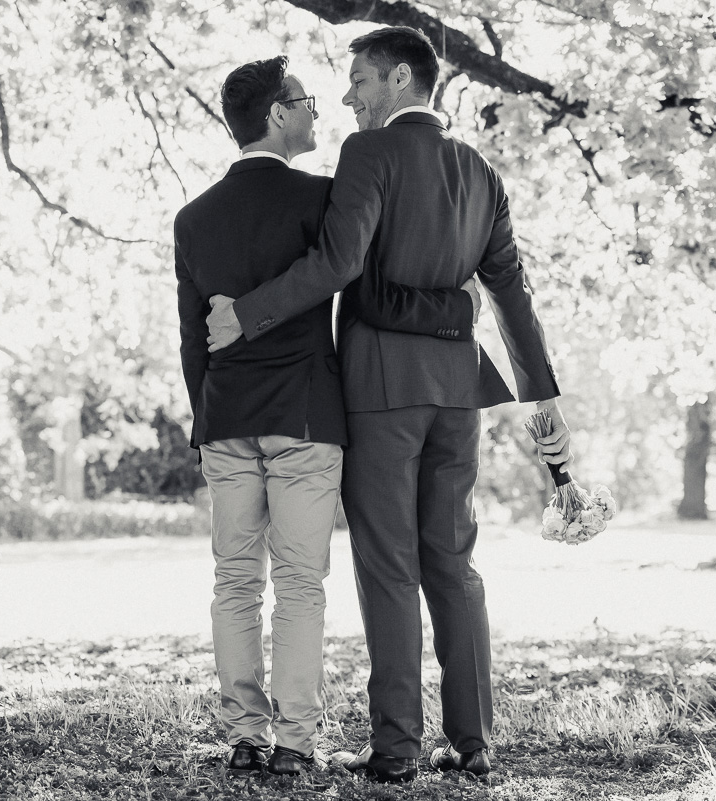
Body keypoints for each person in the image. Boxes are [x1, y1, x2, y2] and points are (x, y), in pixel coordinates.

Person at [204, 28, 573, 783]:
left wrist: (249, 312)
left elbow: (338, 262)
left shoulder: (368, 156)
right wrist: (544, 396)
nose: (348, 98)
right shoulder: (480, 171)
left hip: (379, 389)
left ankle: (399, 747)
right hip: (459, 394)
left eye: (361, 81)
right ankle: (474, 742)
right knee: (454, 561)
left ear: (400, 79)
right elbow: (511, 293)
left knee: (387, 566)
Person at [175, 55, 478, 777]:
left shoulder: (192, 218)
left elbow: (194, 338)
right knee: (302, 584)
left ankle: (245, 734)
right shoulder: (321, 199)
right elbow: (354, 275)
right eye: (306, 101)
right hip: (305, 418)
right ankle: (294, 741)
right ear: (278, 116)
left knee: (234, 583)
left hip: (226, 416)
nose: (319, 110)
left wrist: (206, 416)